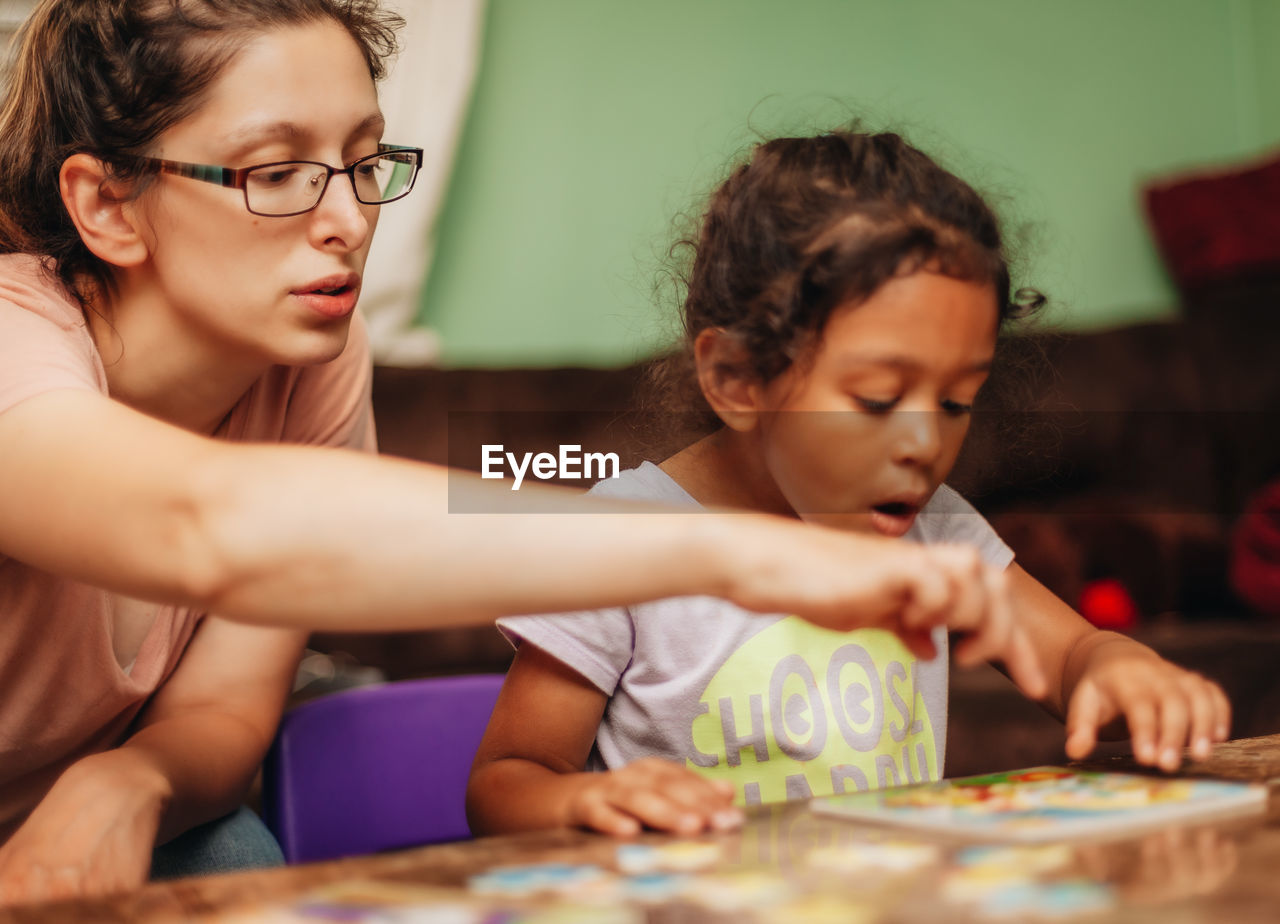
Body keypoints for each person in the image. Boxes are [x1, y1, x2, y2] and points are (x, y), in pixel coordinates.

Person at [0, 1, 1042, 904]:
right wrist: (742, 552)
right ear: (105, 205)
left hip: (75, 819)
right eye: (278, 172)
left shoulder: (311, 355)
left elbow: (224, 713)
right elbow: (206, 525)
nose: (348, 221)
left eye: (364, 163)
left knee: (221, 846)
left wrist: (124, 781)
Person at [466, 130, 1235, 838]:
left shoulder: (937, 527)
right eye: (876, 401)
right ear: (736, 378)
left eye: (957, 401)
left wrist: (1119, 668)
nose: (925, 444)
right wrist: (582, 801)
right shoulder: (622, 540)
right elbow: (505, 782)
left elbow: (1072, 657)